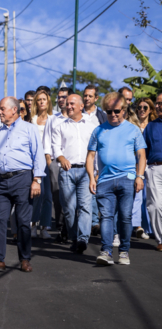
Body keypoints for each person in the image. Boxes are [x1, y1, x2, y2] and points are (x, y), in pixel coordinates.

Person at [0, 97, 46, 273]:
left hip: (23, 179)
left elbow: (38, 154)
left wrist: (36, 180)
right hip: (2, 182)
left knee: (23, 221)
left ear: (14, 110)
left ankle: (24, 259)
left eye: (2, 109)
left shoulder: (29, 129)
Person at [87, 92, 146, 266]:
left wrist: (139, 176)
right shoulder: (98, 130)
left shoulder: (133, 129)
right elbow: (90, 156)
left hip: (127, 179)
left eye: (117, 111)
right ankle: (105, 252)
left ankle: (124, 252)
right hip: (104, 181)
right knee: (106, 217)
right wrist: (91, 177)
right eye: (109, 111)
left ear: (124, 111)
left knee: (125, 217)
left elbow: (141, 155)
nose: (113, 114)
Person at [52, 94, 97, 254]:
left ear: (80, 106)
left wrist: (95, 172)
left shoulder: (92, 125)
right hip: (67, 171)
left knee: (85, 207)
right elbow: (55, 147)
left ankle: (83, 239)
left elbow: (97, 150)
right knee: (69, 209)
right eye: (67, 104)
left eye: (72, 104)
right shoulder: (60, 126)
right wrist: (61, 157)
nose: (68, 106)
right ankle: (74, 238)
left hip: (86, 171)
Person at [43, 87, 74, 243]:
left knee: (72, 198)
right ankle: (62, 228)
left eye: (64, 97)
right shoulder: (52, 119)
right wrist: (49, 162)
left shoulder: (79, 119)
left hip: (74, 164)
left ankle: (72, 229)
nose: (61, 99)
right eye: (59, 97)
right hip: (56, 163)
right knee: (58, 197)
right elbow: (46, 142)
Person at [82, 84, 107, 236]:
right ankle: (92, 223)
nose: (87, 98)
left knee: (97, 192)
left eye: (90, 96)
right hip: (81, 158)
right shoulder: (78, 113)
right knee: (88, 192)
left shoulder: (102, 116)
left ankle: (98, 223)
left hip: (98, 160)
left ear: (96, 98)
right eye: (85, 95)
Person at [30, 90, 54, 239]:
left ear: (48, 101)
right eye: (39, 100)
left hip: (49, 160)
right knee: (36, 194)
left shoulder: (54, 119)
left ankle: (44, 227)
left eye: (44, 99)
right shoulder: (32, 120)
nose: (41, 102)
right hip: (34, 160)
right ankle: (33, 224)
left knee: (48, 195)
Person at [132, 98, 156, 240]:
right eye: (139, 107)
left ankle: (150, 227)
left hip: (151, 166)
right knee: (137, 197)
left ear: (150, 110)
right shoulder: (132, 126)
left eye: (145, 107)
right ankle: (137, 226)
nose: (141, 109)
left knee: (150, 198)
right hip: (136, 166)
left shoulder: (153, 127)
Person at [143, 92, 162, 252]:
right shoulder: (150, 126)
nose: (158, 106)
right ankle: (161, 239)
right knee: (154, 206)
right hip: (154, 168)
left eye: (161, 103)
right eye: (157, 103)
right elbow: (144, 151)